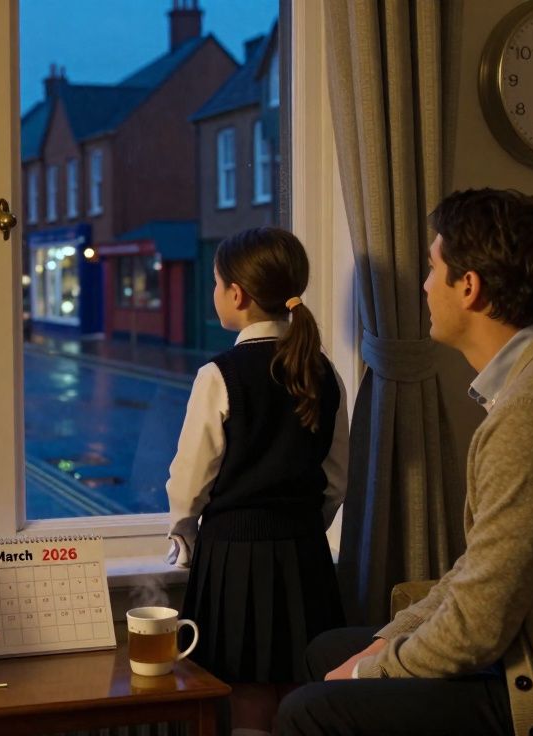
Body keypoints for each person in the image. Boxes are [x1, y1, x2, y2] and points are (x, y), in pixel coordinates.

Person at [274, 189, 533, 736]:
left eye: (432, 269)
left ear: (468, 287)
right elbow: (478, 573)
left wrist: (368, 672)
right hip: (528, 654)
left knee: (308, 710)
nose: (424, 286)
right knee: (331, 650)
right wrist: (389, 639)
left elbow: (478, 626)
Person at [165, 226, 349, 736]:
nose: (216, 293)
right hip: (304, 553)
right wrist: (305, 526)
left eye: (218, 284)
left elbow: (188, 483)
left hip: (234, 555)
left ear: (238, 295)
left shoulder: (219, 374)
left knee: (247, 691)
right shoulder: (324, 371)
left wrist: (185, 531)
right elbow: (336, 480)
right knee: (301, 687)